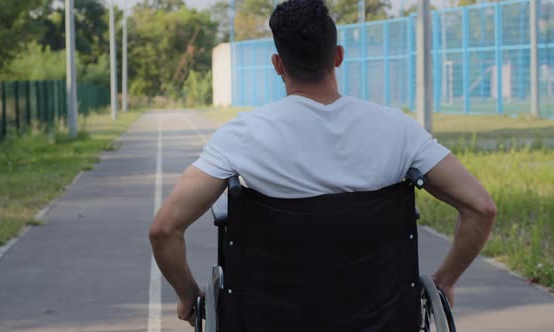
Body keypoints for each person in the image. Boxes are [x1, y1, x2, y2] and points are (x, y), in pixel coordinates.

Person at [149, 0, 496, 327]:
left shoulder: (241, 136)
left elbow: (164, 230)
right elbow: (481, 208)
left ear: (278, 65)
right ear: (338, 57)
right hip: (381, 320)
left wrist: (188, 297)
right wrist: (445, 281)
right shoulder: (398, 129)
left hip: (268, 322)